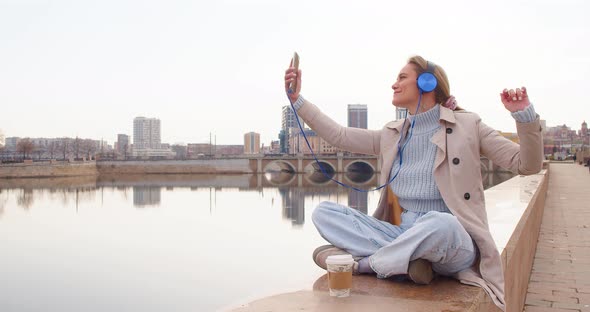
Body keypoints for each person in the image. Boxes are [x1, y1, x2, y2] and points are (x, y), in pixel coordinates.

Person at [283, 55, 543, 311]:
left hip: (453, 239)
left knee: (440, 222)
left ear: (427, 83)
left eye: (402, 78)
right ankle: (409, 263)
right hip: (404, 233)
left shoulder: (468, 125)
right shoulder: (393, 133)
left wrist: (524, 117)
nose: (394, 84)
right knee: (325, 212)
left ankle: (364, 264)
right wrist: (298, 101)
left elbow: (526, 165)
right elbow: (340, 135)